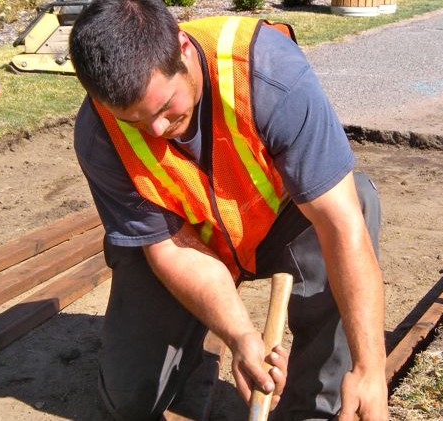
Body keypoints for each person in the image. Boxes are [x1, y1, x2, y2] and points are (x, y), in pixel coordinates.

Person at [69, 1, 389, 420]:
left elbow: (340, 222)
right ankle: (189, 359)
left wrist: (371, 367)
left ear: (182, 49)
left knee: (357, 201)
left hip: (276, 227)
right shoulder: (99, 133)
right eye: (135, 121)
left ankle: (316, 403)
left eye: (166, 108)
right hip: (187, 241)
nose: (157, 131)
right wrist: (240, 336)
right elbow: (168, 249)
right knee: (129, 401)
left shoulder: (268, 73)